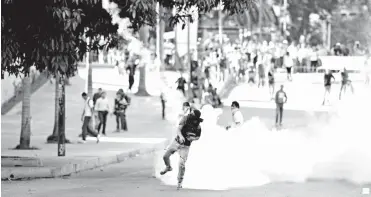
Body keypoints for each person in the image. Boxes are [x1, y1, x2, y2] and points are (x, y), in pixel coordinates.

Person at [159, 109, 203, 189]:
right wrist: (181, 136)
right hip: (177, 142)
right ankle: (168, 167)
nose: (190, 114)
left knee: (182, 163)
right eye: (191, 113)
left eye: (192, 114)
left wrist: (192, 138)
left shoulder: (198, 126)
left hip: (186, 146)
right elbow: (178, 129)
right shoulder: (185, 119)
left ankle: (180, 181)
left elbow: (198, 137)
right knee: (165, 156)